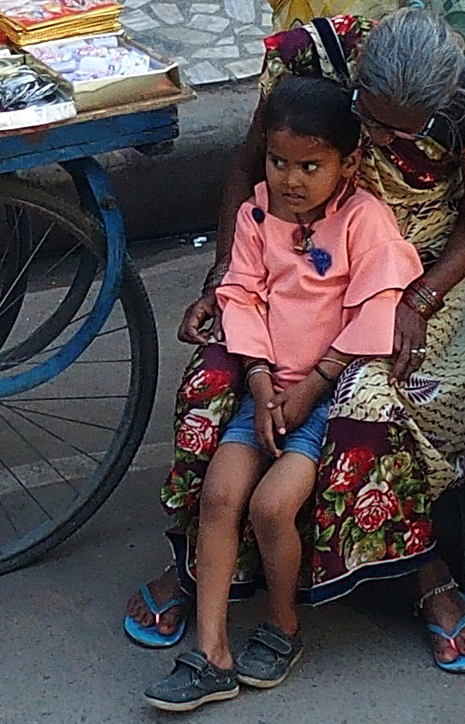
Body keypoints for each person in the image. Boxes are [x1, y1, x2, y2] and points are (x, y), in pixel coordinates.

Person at [125, 5, 465, 674]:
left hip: (414, 269)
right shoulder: (309, 59)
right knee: (213, 379)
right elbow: (250, 172)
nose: (389, 146)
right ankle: (197, 560)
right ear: (357, 80)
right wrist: (224, 276)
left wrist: (416, 299)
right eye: (378, 125)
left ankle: (422, 569)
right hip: (284, 259)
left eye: (407, 133)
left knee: (389, 394)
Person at [143, 75, 423, 711]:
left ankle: (283, 625)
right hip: (266, 391)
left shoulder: (365, 222)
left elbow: (376, 312)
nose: (291, 180)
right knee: (219, 495)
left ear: (349, 164)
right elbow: (240, 295)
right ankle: (211, 651)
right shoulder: (257, 216)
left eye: (310, 166)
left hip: (326, 401)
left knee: (271, 508)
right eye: (278, 162)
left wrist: (309, 389)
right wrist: (263, 382)